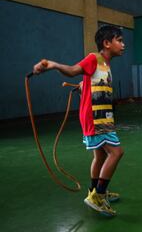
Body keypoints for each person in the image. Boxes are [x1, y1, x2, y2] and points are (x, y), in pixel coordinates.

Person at [33, 25, 125, 216]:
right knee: (116, 153)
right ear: (107, 43)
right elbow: (74, 69)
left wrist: (86, 85)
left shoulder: (106, 65)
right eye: (120, 40)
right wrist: (54, 65)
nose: (123, 44)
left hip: (103, 116)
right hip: (96, 118)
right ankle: (98, 196)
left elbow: (91, 81)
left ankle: (95, 190)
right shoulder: (94, 58)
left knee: (100, 156)